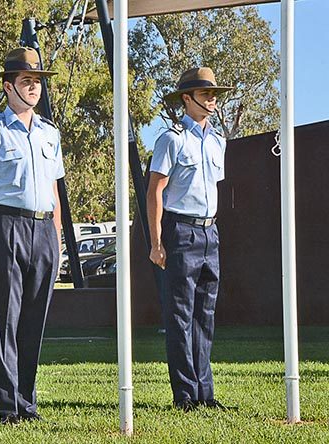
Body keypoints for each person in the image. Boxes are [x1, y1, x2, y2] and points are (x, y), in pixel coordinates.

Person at [0, 47, 65, 425]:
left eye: (37, 81)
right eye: (26, 81)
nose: (34, 87)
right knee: (5, 319)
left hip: (42, 230)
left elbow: (54, 195)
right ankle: (8, 406)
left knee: (34, 320)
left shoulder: (49, 134)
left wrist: (56, 245)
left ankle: (28, 399)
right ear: (8, 87)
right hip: (5, 227)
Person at [147, 67, 233, 412]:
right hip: (180, 231)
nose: (212, 100)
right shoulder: (171, 139)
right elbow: (156, 190)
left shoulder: (217, 140)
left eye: (214, 94)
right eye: (205, 94)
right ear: (187, 98)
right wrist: (156, 242)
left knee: (205, 315)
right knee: (181, 315)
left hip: (210, 231)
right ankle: (185, 394)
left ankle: (205, 392)